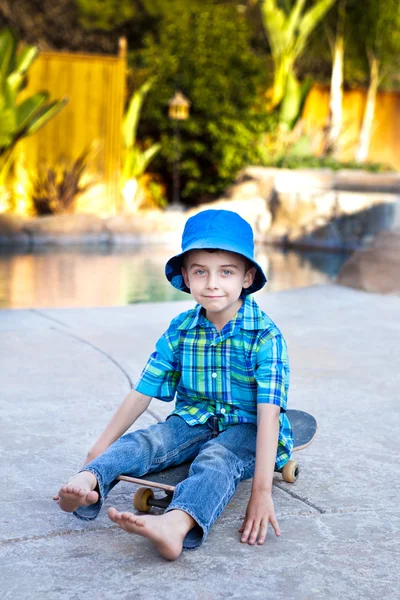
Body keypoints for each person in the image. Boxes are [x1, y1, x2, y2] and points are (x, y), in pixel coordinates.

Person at [57, 209, 293, 561]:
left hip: (250, 426)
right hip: (195, 418)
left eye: (226, 272)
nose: (212, 282)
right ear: (186, 276)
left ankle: (176, 524)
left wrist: (262, 491)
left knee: (218, 458)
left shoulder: (265, 336)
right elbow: (142, 393)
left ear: (247, 277)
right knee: (151, 439)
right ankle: (90, 482)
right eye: (201, 271)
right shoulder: (181, 328)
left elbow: (268, 414)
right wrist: (97, 453)